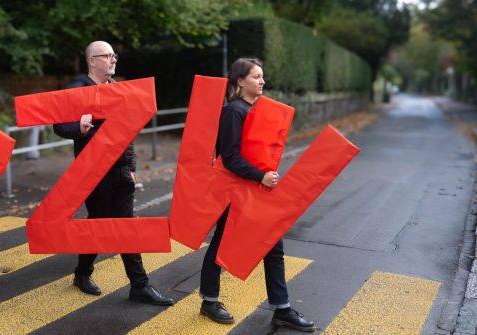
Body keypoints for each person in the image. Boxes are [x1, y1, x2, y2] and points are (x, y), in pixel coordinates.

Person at [53, 41, 174, 306]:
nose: (113, 60)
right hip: (93, 171)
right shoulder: (78, 88)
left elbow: (126, 133)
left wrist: (130, 168)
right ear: (92, 61)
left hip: (120, 170)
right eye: (107, 56)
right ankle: (83, 273)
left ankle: (139, 285)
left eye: (114, 55)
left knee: (124, 226)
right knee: (99, 223)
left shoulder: (116, 89)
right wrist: (80, 129)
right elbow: (59, 125)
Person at [198, 58, 315, 332]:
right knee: (221, 246)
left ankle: (282, 308)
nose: (262, 81)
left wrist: (265, 175)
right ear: (240, 81)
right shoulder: (234, 111)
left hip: (257, 192)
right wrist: (261, 175)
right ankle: (209, 300)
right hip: (235, 192)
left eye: (262, 77)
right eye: (256, 77)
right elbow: (229, 158)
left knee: (274, 247)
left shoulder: (259, 109)